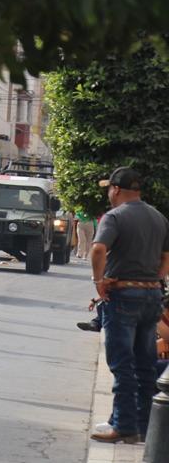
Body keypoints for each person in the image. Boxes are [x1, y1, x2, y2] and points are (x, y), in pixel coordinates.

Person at [89, 167, 169, 444]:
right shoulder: (159, 217)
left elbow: (98, 249)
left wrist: (99, 280)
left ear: (116, 189)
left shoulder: (115, 217)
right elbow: (166, 256)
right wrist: (155, 280)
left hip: (124, 296)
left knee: (122, 364)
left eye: (109, 189)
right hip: (151, 296)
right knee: (145, 364)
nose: (109, 194)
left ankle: (123, 426)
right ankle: (145, 426)